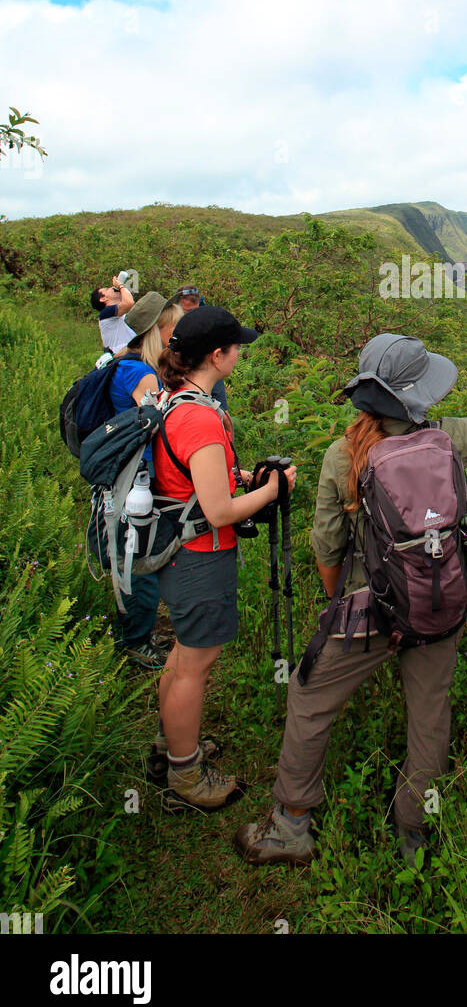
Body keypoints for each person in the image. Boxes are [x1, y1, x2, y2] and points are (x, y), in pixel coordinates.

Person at [234, 335, 467, 867]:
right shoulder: (446, 437)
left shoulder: (343, 455)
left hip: (369, 606)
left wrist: (341, 604)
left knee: (309, 698)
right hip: (440, 599)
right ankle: (414, 837)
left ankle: (292, 827)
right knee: (430, 715)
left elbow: (326, 547)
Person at [152, 305, 297, 812]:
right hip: (198, 556)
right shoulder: (200, 419)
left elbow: (200, 486)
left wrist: (250, 486)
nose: (241, 352)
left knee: (184, 655)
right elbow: (218, 511)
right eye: (236, 346)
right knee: (197, 663)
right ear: (217, 355)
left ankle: (171, 744)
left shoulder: (177, 398)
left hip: (177, 553)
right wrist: (275, 488)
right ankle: (185, 776)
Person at [105, 292, 183, 670]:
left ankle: (138, 632)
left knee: (131, 553)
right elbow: (158, 425)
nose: (176, 335)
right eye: (172, 327)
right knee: (140, 558)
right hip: (136, 479)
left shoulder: (123, 362)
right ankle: (135, 641)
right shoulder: (143, 374)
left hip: (122, 475)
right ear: (158, 331)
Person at [168, 285, 228, 411]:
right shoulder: (168, 331)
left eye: (194, 312)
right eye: (186, 313)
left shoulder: (208, 327)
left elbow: (218, 395)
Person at [91, 276, 136, 353]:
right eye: (107, 289)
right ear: (103, 299)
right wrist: (121, 286)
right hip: (121, 360)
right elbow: (129, 303)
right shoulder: (105, 314)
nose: (112, 288)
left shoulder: (122, 315)